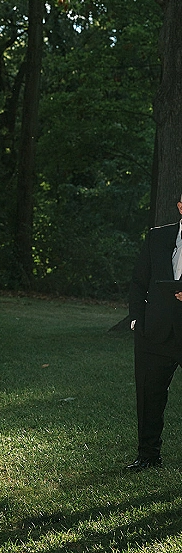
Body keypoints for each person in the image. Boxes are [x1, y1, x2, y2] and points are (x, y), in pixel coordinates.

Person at [126, 192, 182, 471]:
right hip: (155, 332)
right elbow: (138, 280)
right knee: (149, 396)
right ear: (181, 206)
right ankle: (148, 457)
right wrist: (137, 320)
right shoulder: (158, 237)